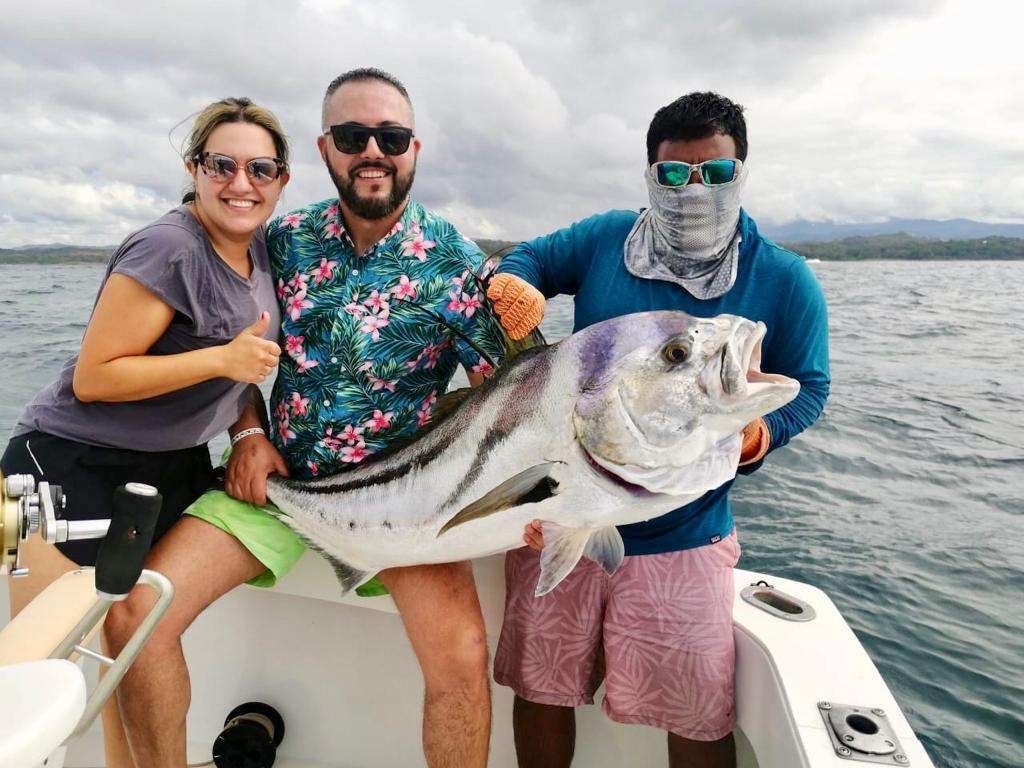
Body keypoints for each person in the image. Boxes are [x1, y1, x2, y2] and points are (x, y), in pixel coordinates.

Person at [130, 68, 527, 768]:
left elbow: (508, 397)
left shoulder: (456, 261)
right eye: (353, 135)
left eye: (391, 136)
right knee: (140, 611)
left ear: (414, 149)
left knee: (462, 660)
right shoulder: (281, 242)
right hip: (278, 487)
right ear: (324, 148)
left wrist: (525, 329)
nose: (372, 149)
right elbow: (229, 349)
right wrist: (247, 432)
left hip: (402, 504)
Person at [487, 91, 830, 768]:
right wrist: (517, 287)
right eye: (674, 175)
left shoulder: (785, 280)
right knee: (543, 691)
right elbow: (526, 261)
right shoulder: (603, 239)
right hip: (564, 508)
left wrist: (763, 434)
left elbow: (809, 388)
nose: (693, 189)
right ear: (651, 174)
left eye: (716, 173)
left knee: (700, 715)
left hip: (687, 533)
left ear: (742, 174)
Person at [1, 96, 289, 767]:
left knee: (113, 661)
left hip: (162, 470)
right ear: (194, 167)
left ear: (281, 180)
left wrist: (248, 429)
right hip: (52, 470)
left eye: (260, 169)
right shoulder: (168, 248)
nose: (240, 183)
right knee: (38, 671)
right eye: (222, 165)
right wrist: (223, 360)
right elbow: (95, 377)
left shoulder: (258, 249)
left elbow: (240, 365)